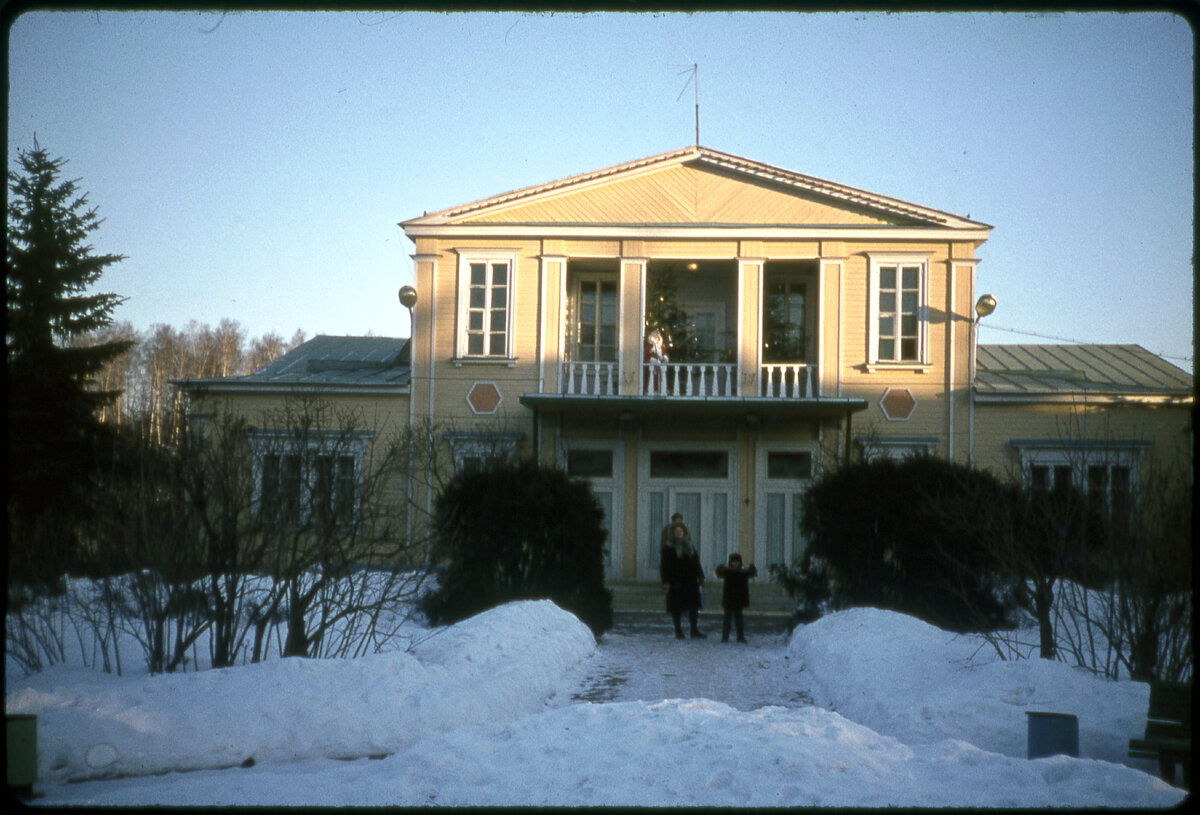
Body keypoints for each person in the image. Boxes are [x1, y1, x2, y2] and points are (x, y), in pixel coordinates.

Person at [660, 519, 706, 639]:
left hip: (691, 582)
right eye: (676, 531)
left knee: (693, 608)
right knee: (677, 608)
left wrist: (701, 575)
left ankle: (694, 630)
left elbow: (696, 563)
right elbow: (664, 567)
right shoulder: (668, 548)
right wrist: (666, 582)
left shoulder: (689, 546)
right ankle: (678, 631)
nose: (679, 533)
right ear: (672, 533)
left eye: (681, 530)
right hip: (676, 582)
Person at [715, 552, 757, 643]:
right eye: (733, 562)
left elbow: (753, 572)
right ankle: (725, 637)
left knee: (738, 619)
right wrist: (724, 567)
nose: (735, 564)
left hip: (739, 599)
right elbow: (718, 571)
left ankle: (740, 636)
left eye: (737, 562)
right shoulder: (728, 572)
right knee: (727, 618)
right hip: (729, 598)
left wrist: (750, 566)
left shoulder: (743, 572)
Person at [644, 328, 668, 393]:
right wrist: (651, 359)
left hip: (660, 367)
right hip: (652, 367)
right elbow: (645, 358)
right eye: (655, 338)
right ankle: (650, 389)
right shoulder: (648, 347)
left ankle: (661, 389)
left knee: (661, 377)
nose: (656, 339)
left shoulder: (662, 347)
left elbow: (663, 356)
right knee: (652, 378)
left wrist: (664, 358)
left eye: (657, 338)